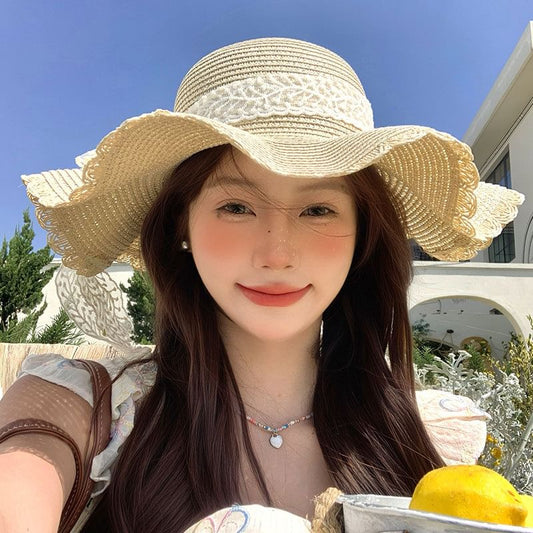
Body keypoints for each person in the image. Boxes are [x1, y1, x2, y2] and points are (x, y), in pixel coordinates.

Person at [0, 37, 523, 532]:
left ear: (363, 234)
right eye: (236, 206)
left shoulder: (419, 435)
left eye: (318, 209)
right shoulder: (79, 411)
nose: (277, 255)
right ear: (182, 225)